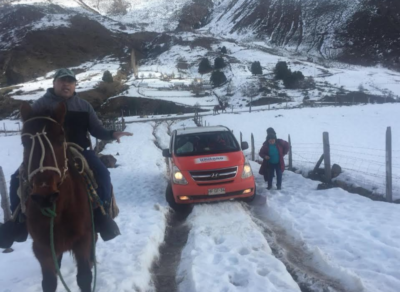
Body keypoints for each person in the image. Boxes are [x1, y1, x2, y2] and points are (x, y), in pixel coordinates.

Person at [0, 68, 133, 248]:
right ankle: (18, 222)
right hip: (48, 153)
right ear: (54, 83)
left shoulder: (84, 106)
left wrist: (111, 133)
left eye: (70, 81)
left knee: (103, 174)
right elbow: (31, 129)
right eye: (62, 81)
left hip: (79, 149)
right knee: (17, 178)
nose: (66, 84)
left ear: (74, 85)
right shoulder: (40, 105)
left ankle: (102, 215)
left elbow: (96, 129)